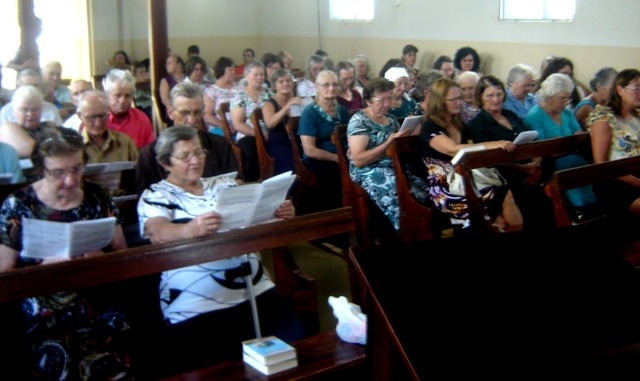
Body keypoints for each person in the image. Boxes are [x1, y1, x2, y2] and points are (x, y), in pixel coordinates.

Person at [136, 126, 305, 376]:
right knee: (218, 370)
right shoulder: (156, 194)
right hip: (196, 297)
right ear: (165, 162)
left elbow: (254, 218)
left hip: (255, 286)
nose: (195, 161)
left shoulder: (224, 182)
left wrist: (280, 213)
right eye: (185, 156)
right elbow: (156, 232)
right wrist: (189, 230)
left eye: (199, 153)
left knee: (295, 348)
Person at [0, 126, 132, 380]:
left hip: (98, 304)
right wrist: (44, 271)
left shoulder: (97, 195)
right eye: (58, 172)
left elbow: (122, 253)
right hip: (45, 313)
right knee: (64, 356)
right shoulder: (18, 205)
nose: (70, 180)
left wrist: (101, 260)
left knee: (116, 355)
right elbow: (4, 275)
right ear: (41, 168)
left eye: (76, 168)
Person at [420, 77, 522, 231]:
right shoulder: (429, 126)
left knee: (505, 193)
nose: (459, 102)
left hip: (468, 179)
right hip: (445, 188)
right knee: (498, 200)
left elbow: (472, 155)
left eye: (459, 98)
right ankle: (495, 221)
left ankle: (499, 223)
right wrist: (493, 144)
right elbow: (453, 149)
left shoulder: (459, 125)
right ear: (440, 101)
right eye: (453, 99)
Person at [468, 75, 554, 231]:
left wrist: (535, 164)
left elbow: (532, 140)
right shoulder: (478, 124)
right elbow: (487, 161)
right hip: (505, 174)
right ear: (480, 98)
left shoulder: (510, 115)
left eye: (499, 94)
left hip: (530, 170)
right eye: (490, 95)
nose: (495, 99)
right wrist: (524, 169)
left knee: (548, 201)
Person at [348, 77, 429, 232]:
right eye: (381, 100)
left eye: (389, 98)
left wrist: (410, 134)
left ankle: (424, 228)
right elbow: (358, 160)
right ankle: (406, 232)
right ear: (368, 100)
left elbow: (398, 147)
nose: (387, 104)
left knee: (423, 188)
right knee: (397, 189)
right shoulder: (359, 121)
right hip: (368, 170)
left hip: (392, 164)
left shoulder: (390, 119)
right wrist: (388, 143)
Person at [136, 82, 239, 195]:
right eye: (185, 113)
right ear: (170, 112)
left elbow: (236, 182)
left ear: (203, 111)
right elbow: (146, 199)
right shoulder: (150, 154)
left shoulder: (220, 145)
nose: (191, 120)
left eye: (197, 112)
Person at [524, 73, 597, 215]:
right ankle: (578, 210)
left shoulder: (566, 113)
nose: (565, 102)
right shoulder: (534, 116)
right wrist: (570, 145)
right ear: (549, 96)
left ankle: (593, 208)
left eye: (567, 98)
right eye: (562, 98)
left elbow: (578, 134)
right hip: (552, 165)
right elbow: (543, 149)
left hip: (576, 160)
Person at [587, 69, 640, 217]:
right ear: (620, 90)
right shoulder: (604, 119)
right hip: (616, 182)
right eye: (636, 88)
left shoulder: (637, 115)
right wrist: (632, 179)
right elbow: (601, 164)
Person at [298, 70, 349, 213]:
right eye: (326, 84)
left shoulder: (342, 110)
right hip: (319, 159)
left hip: (343, 156)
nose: (331, 88)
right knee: (333, 175)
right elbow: (310, 150)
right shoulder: (310, 112)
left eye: (334, 84)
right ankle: (335, 216)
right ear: (317, 87)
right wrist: (337, 158)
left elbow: (349, 136)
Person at [230, 61, 271, 182]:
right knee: (253, 151)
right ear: (247, 76)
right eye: (256, 75)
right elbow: (238, 124)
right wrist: (259, 135)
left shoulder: (269, 94)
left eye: (262, 75)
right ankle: (251, 182)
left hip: (269, 133)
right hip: (248, 135)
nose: (259, 78)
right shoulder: (240, 96)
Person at [78, 90, 138, 164]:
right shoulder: (73, 146)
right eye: (91, 118)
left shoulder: (124, 142)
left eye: (102, 116)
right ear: (80, 116)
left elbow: (138, 172)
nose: (98, 123)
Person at [103, 68, 155, 149]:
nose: (123, 100)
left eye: (127, 96)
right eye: (118, 95)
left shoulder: (141, 119)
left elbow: (151, 150)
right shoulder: (100, 120)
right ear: (107, 95)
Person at [262, 68, 301, 175]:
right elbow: (270, 123)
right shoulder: (269, 104)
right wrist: (287, 106)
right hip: (280, 143)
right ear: (274, 86)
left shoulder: (298, 100)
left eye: (288, 80)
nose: (285, 83)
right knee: (291, 166)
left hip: (299, 140)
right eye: (281, 81)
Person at [0, 85, 56, 158]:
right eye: (24, 110)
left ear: (41, 111)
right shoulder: (7, 128)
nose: (30, 114)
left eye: (35, 109)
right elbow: (34, 151)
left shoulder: (48, 126)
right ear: (14, 111)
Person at [203, 56, 239, 136]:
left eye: (234, 69)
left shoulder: (240, 87)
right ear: (221, 70)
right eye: (230, 69)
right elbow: (206, 115)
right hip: (220, 128)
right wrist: (225, 126)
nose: (233, 72)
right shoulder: (212, 91)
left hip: (240, 127)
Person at [159, 53, 185, 123]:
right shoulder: (165, 80)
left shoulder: (187, 78)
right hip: (173, 112)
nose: (166, 66)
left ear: (178, 64)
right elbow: (165, 99)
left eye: (169, 63)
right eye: (166, 64)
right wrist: (178, 109)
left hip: (189, 109)